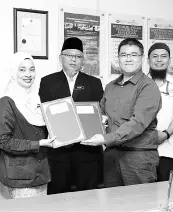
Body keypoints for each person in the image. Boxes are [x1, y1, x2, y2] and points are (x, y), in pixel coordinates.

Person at [81, 38, 162, 186]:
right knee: (113, 204)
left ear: (142, 58)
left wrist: (106, 139)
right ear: (118, 58)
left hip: (138, 157)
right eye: (124, 55)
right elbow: (100, 114)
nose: (128, 59)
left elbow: (137, 123)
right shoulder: (111, 87)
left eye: (134, 55)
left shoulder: (148, 87)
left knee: (139, 206)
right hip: (111, 156)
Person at [39, 37, 104, 194]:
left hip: (87, 151)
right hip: (59, 151)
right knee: (58, 196)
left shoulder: (94, 83)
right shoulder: (47, 82)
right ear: (61, 57)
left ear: (83, 61)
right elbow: (44, 115)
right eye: (69, 55)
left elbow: (99, 112)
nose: (73, 60)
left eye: (78, 56)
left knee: (87, 196)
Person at [0, 52, 55, 199]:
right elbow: (3, 141)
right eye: (22, 70)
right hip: (21, 175)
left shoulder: (36, 98)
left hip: (41, 172)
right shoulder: (6, 102)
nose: (28, 74)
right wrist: (38, 144)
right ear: (14, 72)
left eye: (32, 69)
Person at [147, 42, 173, 181]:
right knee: (141, 193)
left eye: (163, 56)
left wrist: (165, 134)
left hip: (167, 149)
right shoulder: (139, 83)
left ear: (169, 60)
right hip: (141, 150)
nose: (159, 60)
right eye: (155, 56)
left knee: (163, 193)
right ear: (148, 60)